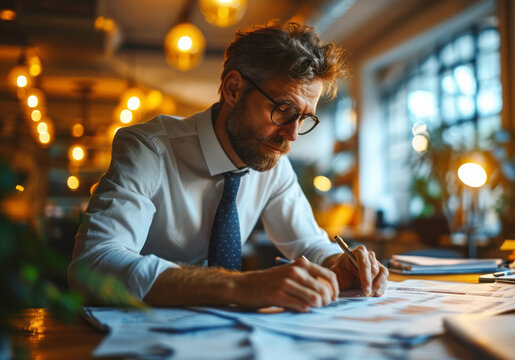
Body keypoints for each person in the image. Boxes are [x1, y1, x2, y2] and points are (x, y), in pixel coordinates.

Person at [68, 21, 388, 312]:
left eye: (304, 118)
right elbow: (92, 265)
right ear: (233, 89)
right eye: (283, 110)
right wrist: (241, 285)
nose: (291, 135)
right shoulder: (149, 149)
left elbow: (307, 242)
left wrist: (338, 262)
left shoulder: (274, 163)